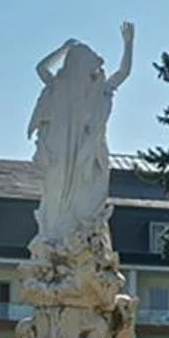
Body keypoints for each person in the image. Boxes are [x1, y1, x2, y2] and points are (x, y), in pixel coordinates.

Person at [27, 22, 133, 249]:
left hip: (85, 155)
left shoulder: (98, 90)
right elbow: (41, 69)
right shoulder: (60, 87)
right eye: (92, 60)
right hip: (60, 152)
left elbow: (123, 73)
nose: (97, 66)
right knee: (55, 195)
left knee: (86, 197)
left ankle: (79, 242)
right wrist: (63, 50)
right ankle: (55, 241)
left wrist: (128, 44)